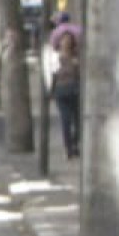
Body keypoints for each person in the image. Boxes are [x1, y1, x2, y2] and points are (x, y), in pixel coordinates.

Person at [52, 24, 83, 159]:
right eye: (64, 39)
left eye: (69, 39)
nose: (66, 42)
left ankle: (75, 144)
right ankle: (68, 147)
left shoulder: (76, 58)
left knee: (77, 121)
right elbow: (52, 75)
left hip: (75, 92)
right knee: (66, 120)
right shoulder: (55, 58)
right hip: (61, 92)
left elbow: (81, 75)